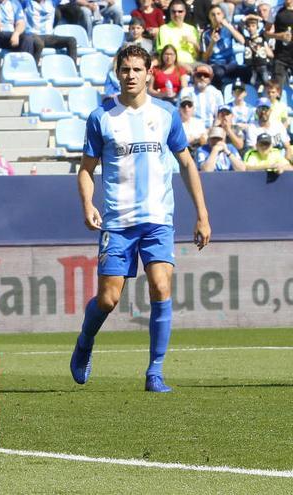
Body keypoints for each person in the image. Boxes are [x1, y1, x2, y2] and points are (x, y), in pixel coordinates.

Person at [70, 44, 211, 394]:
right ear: (117, 73)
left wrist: (202, 215)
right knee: (108, 299)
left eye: (136, 69)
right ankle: (85, 341)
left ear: (149, 73)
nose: (130, 75)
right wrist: (87, 203)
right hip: (117, 222)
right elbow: (86, 170)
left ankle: (155, 373)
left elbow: (187, 164)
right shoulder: (101, 117)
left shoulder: (165, 114)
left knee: (161, 286)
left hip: (158, 219)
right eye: (124, 69)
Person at [0, 0, 41, 67]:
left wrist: (16, 34)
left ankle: (24, 66)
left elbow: (21, 23)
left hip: (9, 36)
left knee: (27, 39)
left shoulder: (15, 3)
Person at [200, 5, 248, 87]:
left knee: (246, 71)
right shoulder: (206, 34)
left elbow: (242, 41)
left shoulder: (229, 29)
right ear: (209, 17)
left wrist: (229, 27)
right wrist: (212, 43)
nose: (216, 17)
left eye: (218, 14)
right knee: (218, 73)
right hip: (216, 64)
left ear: (223, 15)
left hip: (231, 63)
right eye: (213, 15)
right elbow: (204, 58)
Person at [156, 0, 200, 65]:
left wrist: (195, 43)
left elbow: (199, 54)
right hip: (173, 64)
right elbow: (165, 54)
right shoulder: (163, 29)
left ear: (185, 12)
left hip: (192, 62)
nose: (176, 14)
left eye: (180, 11)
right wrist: (183, 66)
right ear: (170, 12)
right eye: (174, 11)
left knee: (209, 70)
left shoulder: (192, 29)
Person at [241, 14, 273, 89]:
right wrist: (247, 17)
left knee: (267, 82)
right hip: (252, 66)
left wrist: (257, 18)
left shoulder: (262, 36)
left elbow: (268, 24)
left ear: (257, 27)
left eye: (253, 26)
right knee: (251, 83)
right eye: (249, 26)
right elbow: (239, 26)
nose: (251, 28)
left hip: (263, 65)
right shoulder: (246, 40)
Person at [271, 0, 293, 85]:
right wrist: (279, 36)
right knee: (277, 87)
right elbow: (266, 33)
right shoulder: (275, 10)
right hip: (281, 56)